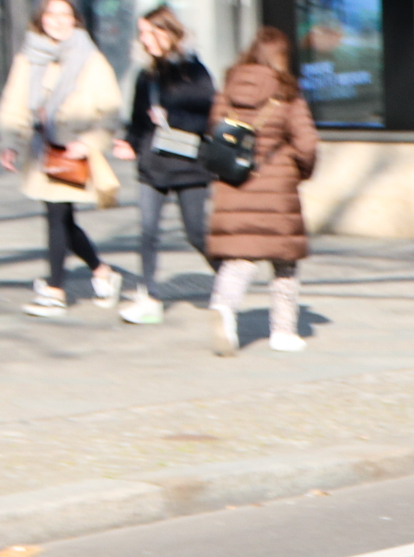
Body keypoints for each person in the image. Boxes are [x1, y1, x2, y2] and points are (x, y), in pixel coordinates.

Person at [0, 0, 124, 319]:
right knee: (61, 217)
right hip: (43, 149)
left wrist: (91, 142)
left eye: (65, 14)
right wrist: (10, 142)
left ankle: (55, 290)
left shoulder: (90, 58)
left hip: (73, 149)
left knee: (56, 215)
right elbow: (14, 101)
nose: (58, 21)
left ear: (75, 20)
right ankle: (101, 270)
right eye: (51, 14)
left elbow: (110, 110)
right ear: (41, 19)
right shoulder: (28, 56)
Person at [204, 26, 319, 355]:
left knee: (239, 257)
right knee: (284, 262)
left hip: (233, 184)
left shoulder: (228, 87)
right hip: (276, 188)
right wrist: (302, 172)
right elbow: (307, 144)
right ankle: (283, 331)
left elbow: (215, 131)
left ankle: (224, 307)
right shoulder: (287, 91)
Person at [111, 4, 215, 324]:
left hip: (189, 165)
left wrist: (173, 118)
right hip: (152, 165)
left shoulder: (194, 71)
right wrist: (129, 143)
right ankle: (150, 297)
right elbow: (137, 121)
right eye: (141, 33)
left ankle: (227, 276)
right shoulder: (146, 75)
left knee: (196, 232)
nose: (144, 39)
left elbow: (207, 116)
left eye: (150, 32)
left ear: (167, 32)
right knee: (147, 231)